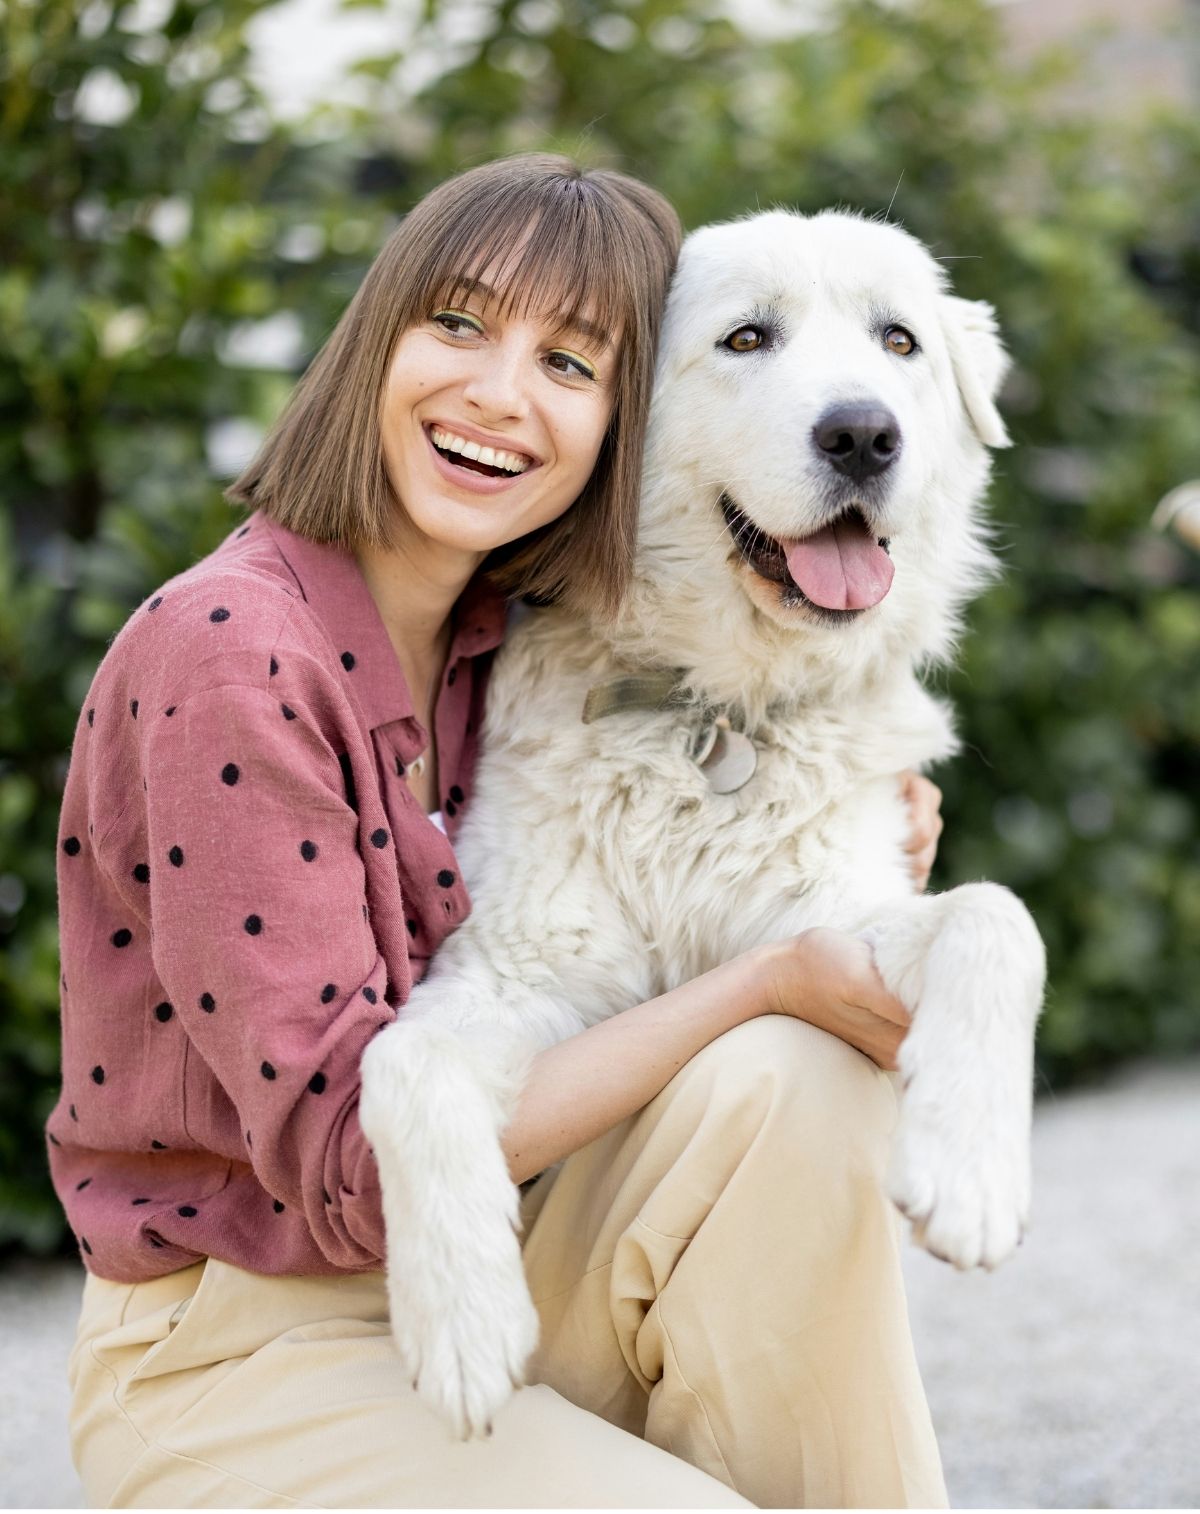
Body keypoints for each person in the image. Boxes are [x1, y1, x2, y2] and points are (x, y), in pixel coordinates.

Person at [52, 153, 947, 1509]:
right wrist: (764, 976)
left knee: (798, 1075)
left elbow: (651, 918)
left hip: (504, 1271)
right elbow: (359, 1170)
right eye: (458, 324)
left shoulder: (512, 640)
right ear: (377, 340)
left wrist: (842, 857)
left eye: (572, 364)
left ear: (627, 423)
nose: (500, 395)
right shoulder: (232, 654)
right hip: (244, 1347)